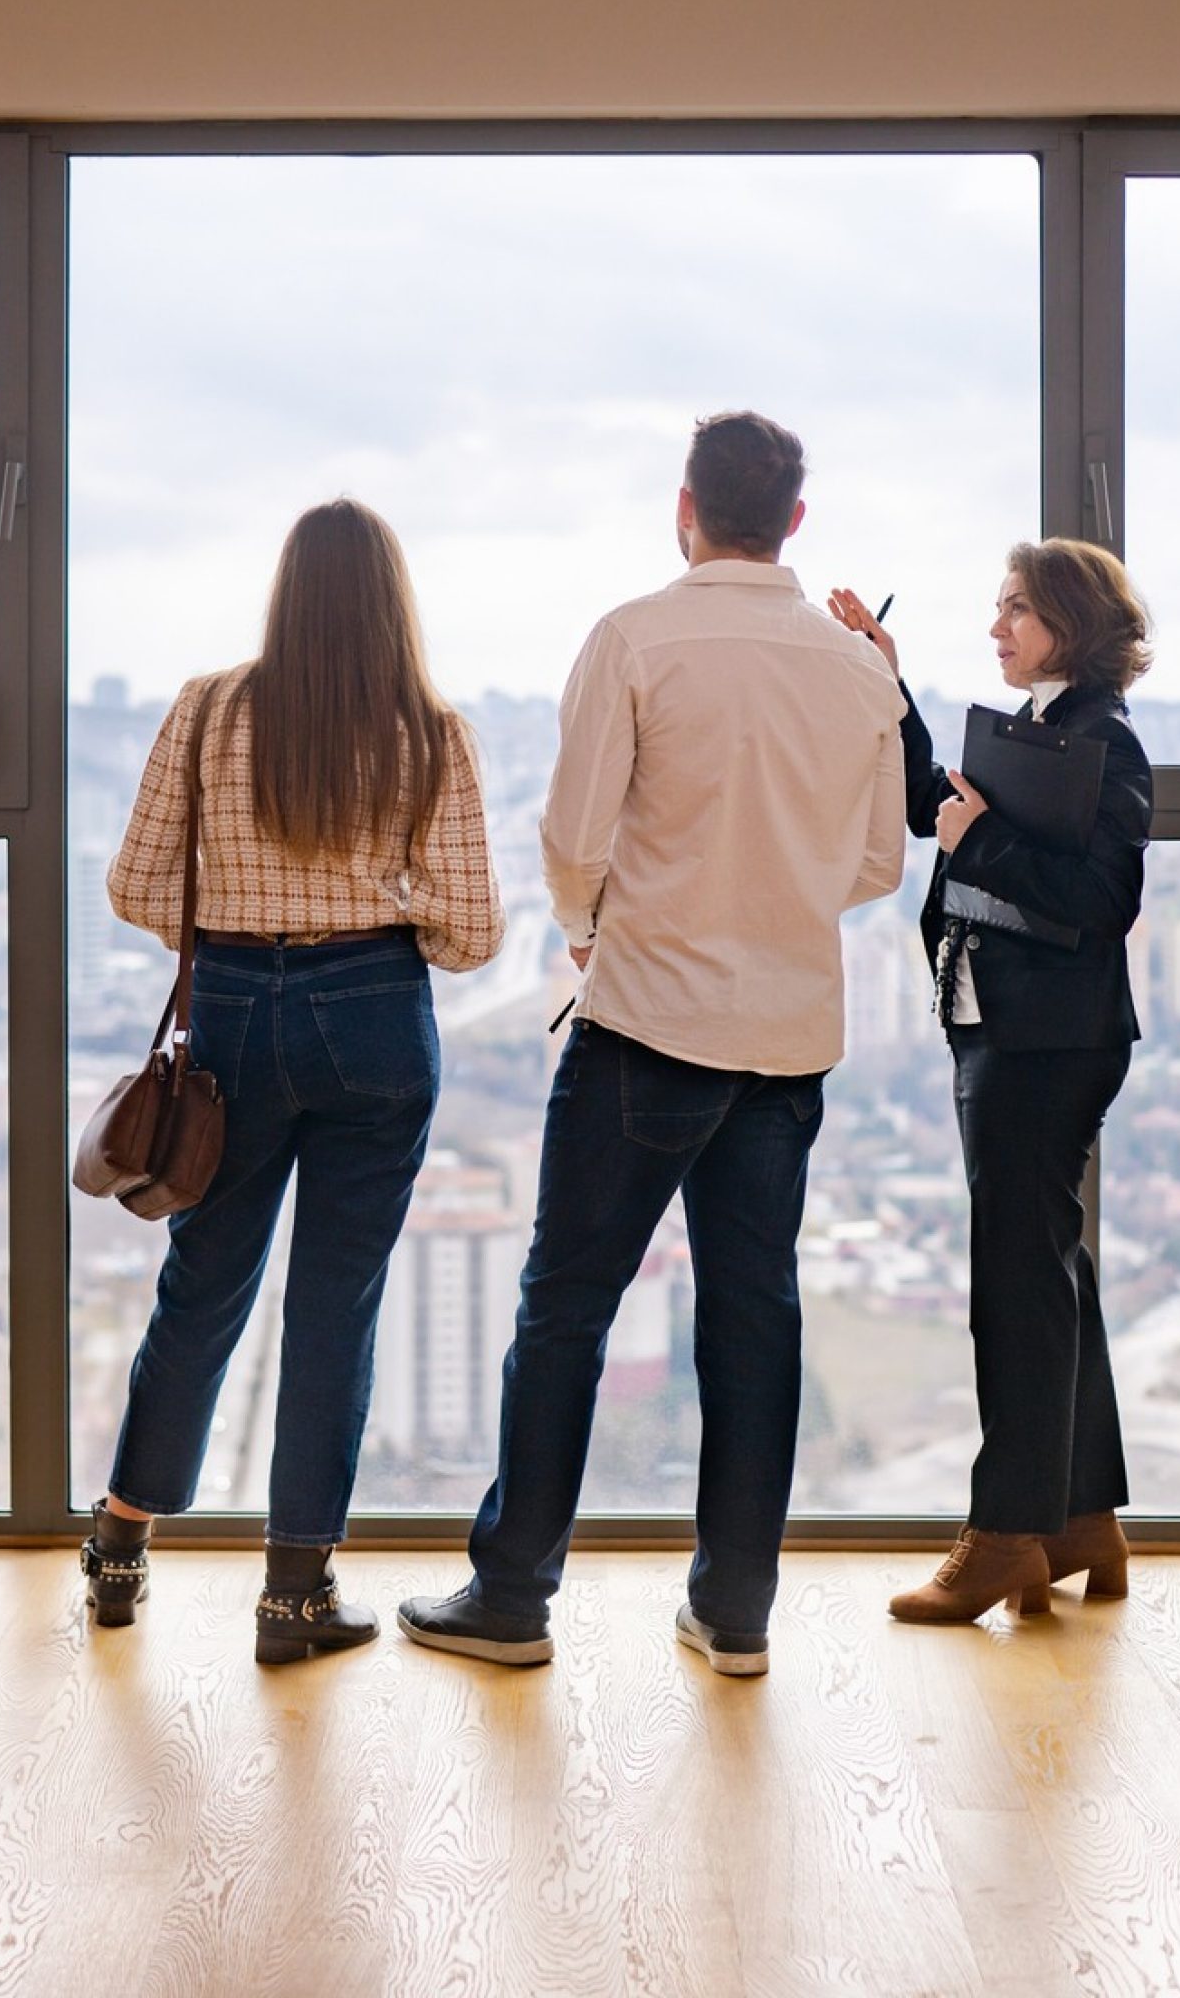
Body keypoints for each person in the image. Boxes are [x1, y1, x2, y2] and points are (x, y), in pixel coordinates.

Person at [398, 412, 906, 1680]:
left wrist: (591, 930)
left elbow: (573, 837)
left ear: (684, 508)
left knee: (565, 1310)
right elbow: (881, 863)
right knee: (756, 1320)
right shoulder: (860, 672)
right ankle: (736, 1614)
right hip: (787, 1042)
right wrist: (774, 901)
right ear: (797, 518)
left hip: (643, 1028)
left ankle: (513, 1597)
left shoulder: (632, 638)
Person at [82, 497, 502, 1664]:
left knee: (204, 1286)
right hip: (374, 1020)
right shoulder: (431, 732)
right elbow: (472, 934)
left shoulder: (208, 710)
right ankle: (294, 1596)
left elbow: (133, 887)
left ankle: (119, 1545)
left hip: (232, 1018)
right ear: (389, 601)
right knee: (336, 1308)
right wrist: (377, 908)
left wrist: (242, 920)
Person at [825, 538, 1154, 1626]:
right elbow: (938, 804)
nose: (998, 625)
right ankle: (1083, 1518)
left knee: (1014, 1284)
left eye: (1016, 607)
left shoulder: (1104, 741)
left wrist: (985, 842)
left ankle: (1008, 1536)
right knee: (1048, 1266)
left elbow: (1097, 901)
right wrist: (889, 678)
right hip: (1008, 1031)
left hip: (1047, 1043)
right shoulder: (1045, 730)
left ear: (1071, 619)